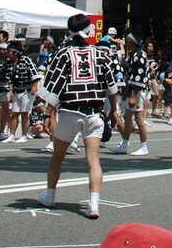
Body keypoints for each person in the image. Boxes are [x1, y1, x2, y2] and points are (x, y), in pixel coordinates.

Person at [37, 13, 118, 219]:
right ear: (89, 31)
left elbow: (53, 85)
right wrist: (115, 110)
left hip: (70, 113)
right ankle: (93, 204)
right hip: (94, 114)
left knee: (57, 157)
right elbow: (111, 87)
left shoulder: (63, 54)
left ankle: (50, 196)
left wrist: (48, 113)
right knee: (93, 160)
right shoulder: (101, 55)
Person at [111, 33, 149, 156]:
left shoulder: (140, 55)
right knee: (128, 118)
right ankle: (124, 144)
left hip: (136, 91)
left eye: (128, 40)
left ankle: (144, 146)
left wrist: (133, 95)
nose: (126, 41)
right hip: (131, 90)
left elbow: (139, 76)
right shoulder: (133, 54)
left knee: (139, 119)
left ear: (133, 41)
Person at [4, 40, 39, 142]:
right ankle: (12, 135)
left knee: (24, 113)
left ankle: (24, 135)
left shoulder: (26, 60)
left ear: (15, 52)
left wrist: (34, 86)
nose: (7, 53)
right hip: (16, 90)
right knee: (14, 113)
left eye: (9, 51)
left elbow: (35, 74)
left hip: (27, 90)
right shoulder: (9, 63)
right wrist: (10, 91)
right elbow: (10, 79)